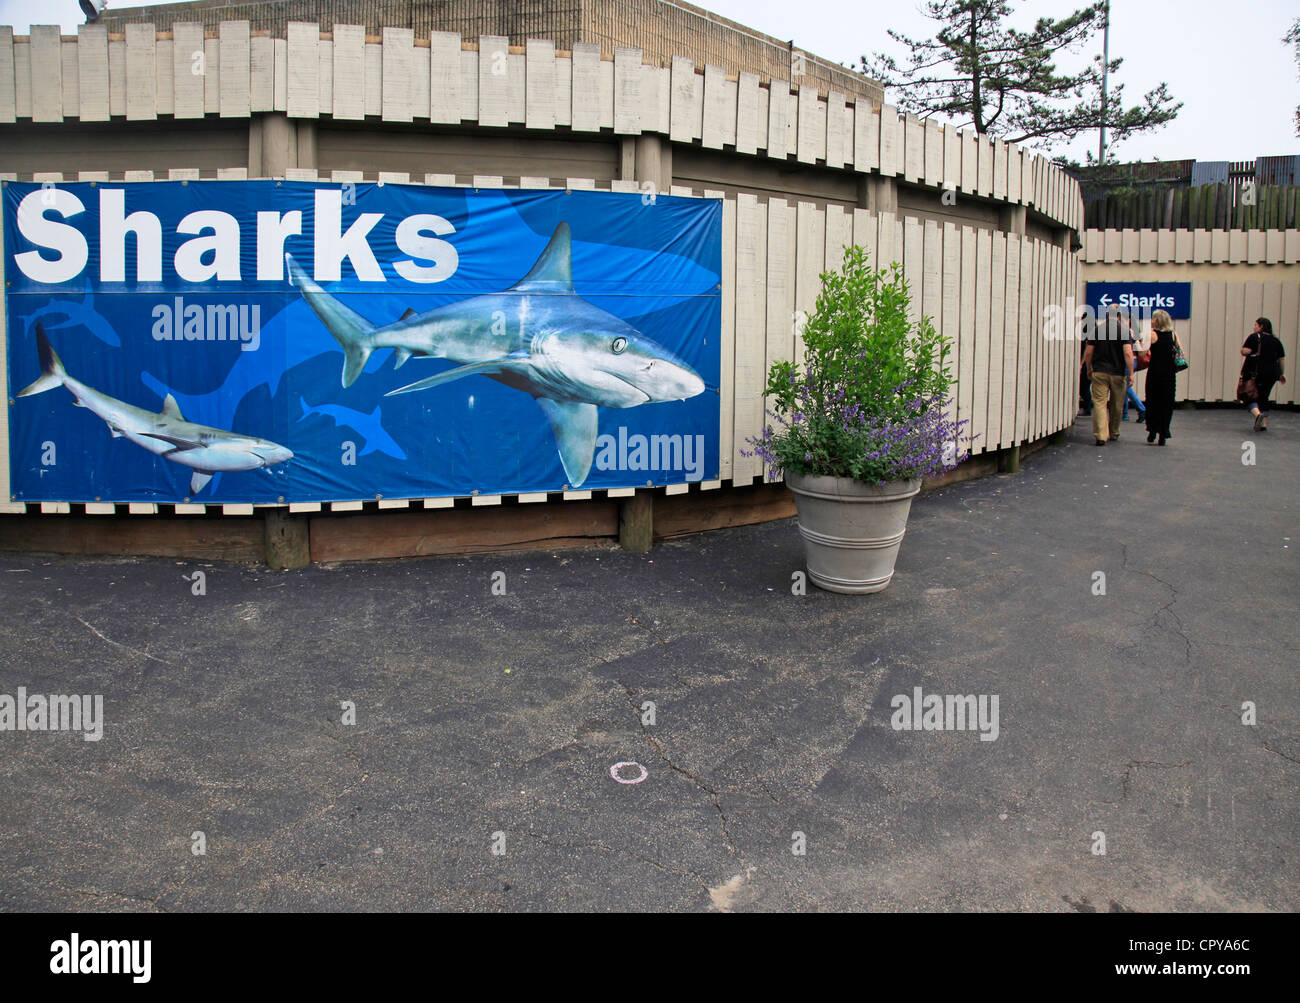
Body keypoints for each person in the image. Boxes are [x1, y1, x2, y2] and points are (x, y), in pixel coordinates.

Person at [1082, 304, 1135, 446]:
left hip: (1099, 371)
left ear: (1107, 313)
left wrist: (1088, 368)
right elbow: (1128, 354)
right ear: (1120, 315)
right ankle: (1114, 432)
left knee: (1099, 403)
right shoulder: (1124, 331)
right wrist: (1131, 373)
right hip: (1118, 373)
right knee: (1117, 404)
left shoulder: (1097, 330)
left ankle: (1101, 435)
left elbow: (1088, 352)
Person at [1241, 318, 1287, 432]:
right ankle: (1263, 424)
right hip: (1272, 373)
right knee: (1264, 396)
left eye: (1255, 325)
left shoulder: (1254, 337)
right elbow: (1281, 359)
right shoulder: (1276, 341)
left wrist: (1251, 351)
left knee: (1247, 395)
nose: (1254, 327)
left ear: (1261, 326)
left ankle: (1257, 415)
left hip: (1256, 372)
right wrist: (1281, 374)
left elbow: (1244, 351)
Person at [1144, 309, 1182, 446]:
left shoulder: (1152, 335)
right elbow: (1179, 352)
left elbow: (1143, 354)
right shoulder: (1173, 335)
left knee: (1152, 401)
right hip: (1169, 374)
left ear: (1157, 321)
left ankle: (1152, 430)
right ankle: (1163, 432)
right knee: (1167, 403)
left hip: (1155, 372)